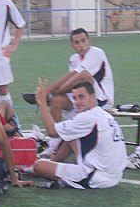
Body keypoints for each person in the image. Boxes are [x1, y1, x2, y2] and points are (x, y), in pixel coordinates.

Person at [24, 28, 115, 158]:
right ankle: (53, 146)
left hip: (101, 100)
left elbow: (77, 75)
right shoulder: (73, 59)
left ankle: (47, 95)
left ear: (89, 40)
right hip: (81, 99)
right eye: (77, 42)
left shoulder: (96, 53)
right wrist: (56, 92)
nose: (81, 45)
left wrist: (49, 90)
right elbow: (72, 83)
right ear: (72, 45)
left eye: (83, 41)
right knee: (57, 101)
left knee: (83, 76)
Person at [32, 79, 126, 190]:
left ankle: (60, 176)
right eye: (75, 98)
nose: (77, 102)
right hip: (116, 175)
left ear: (93, 97)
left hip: (96, 177)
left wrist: (42, 102)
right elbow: (70, 138)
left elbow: (52, 132)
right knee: (71, 135)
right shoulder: (104, 114)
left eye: (81, 97)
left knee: (39, 166)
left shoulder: (88, 117)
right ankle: (55, 164)